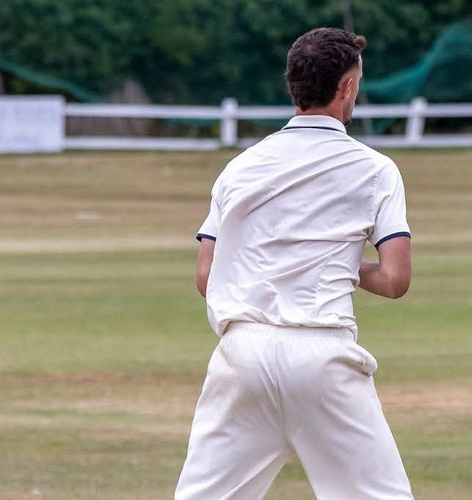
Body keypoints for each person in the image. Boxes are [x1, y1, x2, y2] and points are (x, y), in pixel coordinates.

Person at [174, 27, 415, 500]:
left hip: (242, 354)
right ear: (347, 87)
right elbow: (394, 278)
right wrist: (338, 263)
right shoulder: (375, 168)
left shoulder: (241, 167)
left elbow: (206, 276)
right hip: (321, 353)